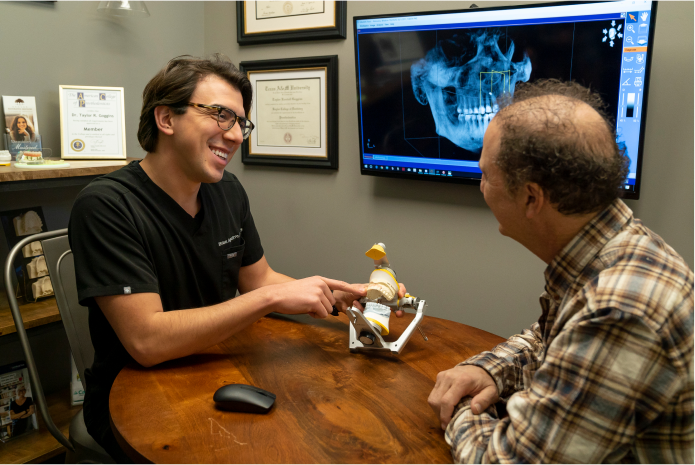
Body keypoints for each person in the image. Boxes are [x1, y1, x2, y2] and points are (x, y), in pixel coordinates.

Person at [68, 54, 390, 463]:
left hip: (216, 370)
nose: (237, 135)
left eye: (241, 122)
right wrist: (269, 301)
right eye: (221, 115)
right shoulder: (106, 205)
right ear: (166, 119)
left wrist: (337, 294)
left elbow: (259, 280)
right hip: (137, 400)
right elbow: (147, 341)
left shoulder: (227, 190)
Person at [428, 80, 694, 464]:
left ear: (531, 198)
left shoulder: (619, 311)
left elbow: (507, 460)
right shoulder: (615, 249)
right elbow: (550, 340)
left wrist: (464, 409)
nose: (480, 186)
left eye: (485, 174)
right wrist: (489, 371)